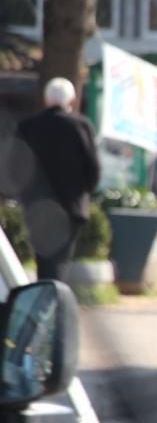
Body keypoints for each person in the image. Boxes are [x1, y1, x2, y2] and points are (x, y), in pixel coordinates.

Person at [15, 77, 100, 281]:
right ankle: (51, 303)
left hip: (37, 204)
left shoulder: (28, 126)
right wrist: (86, 191)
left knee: (43, 259)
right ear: (72, 100)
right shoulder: (81, 126)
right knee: (60, 261)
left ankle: (44, 298)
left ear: (46, 99)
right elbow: (93, 168)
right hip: (72, 204)